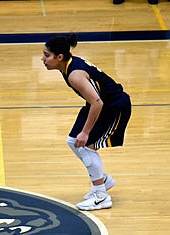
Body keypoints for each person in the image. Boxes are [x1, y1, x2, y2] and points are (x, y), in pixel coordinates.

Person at [41, 34, 131, 211]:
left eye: (46, 55)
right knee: (73, 141)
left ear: (59, 57)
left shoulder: (74, 74)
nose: (42, 59)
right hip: (99, 103)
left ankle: (101, 195)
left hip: (113, 106)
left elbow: (97, 102)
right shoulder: (68, 65)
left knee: (85, 145)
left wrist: (86, 132)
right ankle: (103, 180)